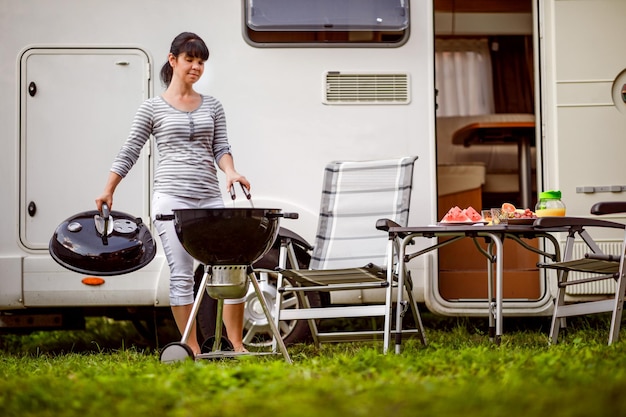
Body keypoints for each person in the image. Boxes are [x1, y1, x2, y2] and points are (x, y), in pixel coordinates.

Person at [96, 32, 250, 355]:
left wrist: (231, 171)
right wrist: (109, 189)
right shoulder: (152, 109)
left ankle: (236, 345)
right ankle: (190, 348)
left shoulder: (213, 106)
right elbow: (130, 151)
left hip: (209, 197)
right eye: (190, 59)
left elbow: (221, 147)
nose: (196, 67)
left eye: (201, 61)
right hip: (171, 199)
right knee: (181, 273)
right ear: (173, 60)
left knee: (230, 268)